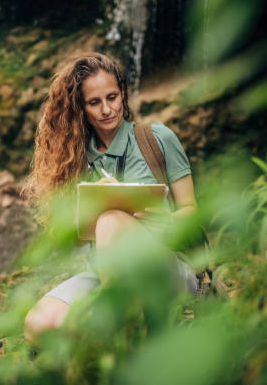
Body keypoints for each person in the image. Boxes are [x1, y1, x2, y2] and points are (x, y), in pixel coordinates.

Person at [22, 52, 199, 343]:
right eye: (94, 102)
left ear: (123, 95)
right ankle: (109, 333)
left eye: (112, 97)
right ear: (81, 108)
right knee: (38, 324)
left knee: (111, 222)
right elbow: (69, 240)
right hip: (102, 277)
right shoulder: (73, 162)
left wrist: (167, 221)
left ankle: (125, 336)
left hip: (165, 269)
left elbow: (191, 211)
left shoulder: (158, 139)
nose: (107, 109)